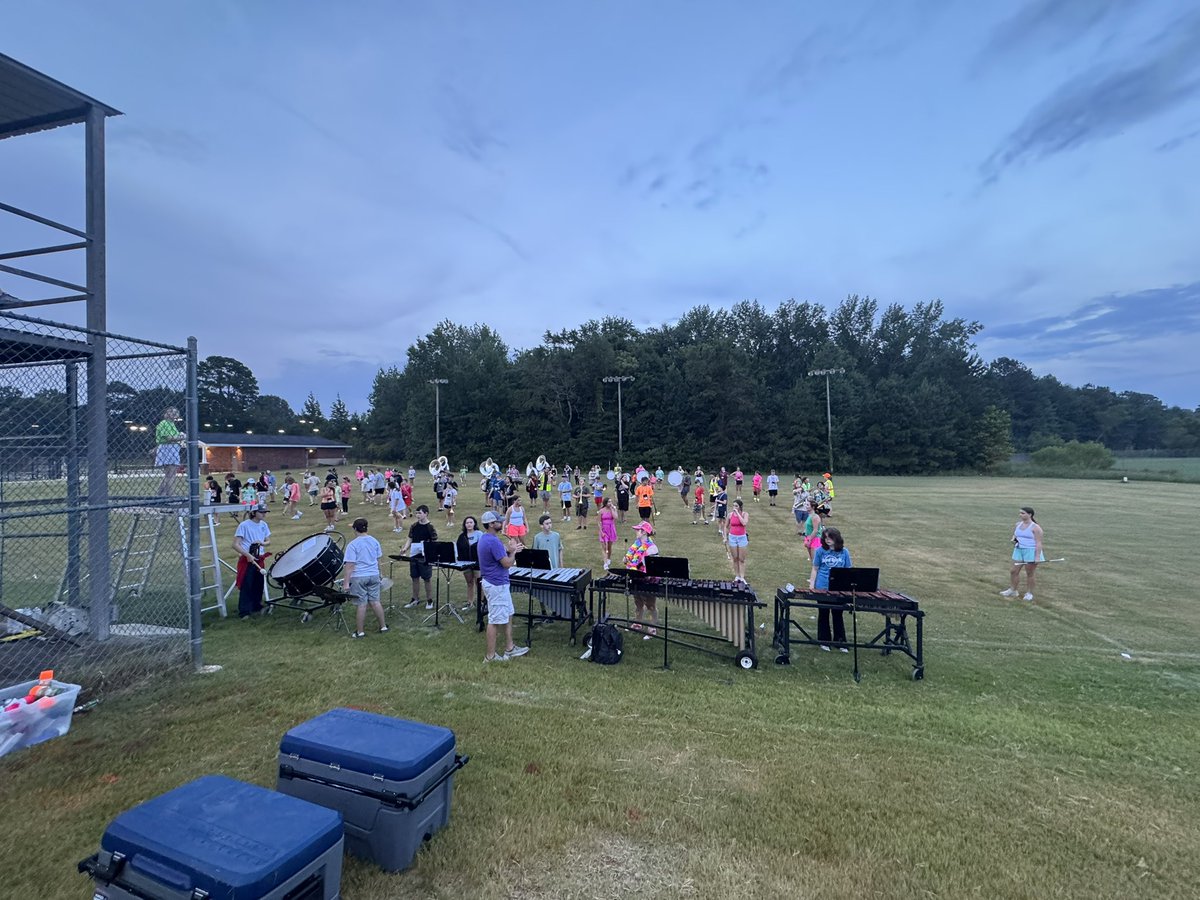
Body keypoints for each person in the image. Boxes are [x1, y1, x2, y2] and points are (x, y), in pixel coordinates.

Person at [477, 510, 530, 662]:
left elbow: (496, 554)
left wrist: (509, 549)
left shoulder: (485, 538)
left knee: (508, 614)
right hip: (496, 585)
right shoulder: (493, 541)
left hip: (497, 583)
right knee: (494, 621)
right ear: (491, 524)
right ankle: (490, 656)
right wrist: (513, 553)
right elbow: (506, 563)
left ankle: (510, 648)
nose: (502, 523)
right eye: (499, 521)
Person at [341, 517, 387, 639]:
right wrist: (380, 574)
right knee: (375, 602)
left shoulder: (353, 545)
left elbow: (350, 565)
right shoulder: (374, 541)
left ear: (355, 529)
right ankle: (383, 627)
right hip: (374, 575)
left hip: (359, 577)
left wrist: (346, 583)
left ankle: (360, 632)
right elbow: (378, 560)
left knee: (361, 604)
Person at [809, 526, 851, 652]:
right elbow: (815, 568)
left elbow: (848, 570)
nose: (827, 540)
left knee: (838, 614)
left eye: (830, 538)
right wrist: (812, 585)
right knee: (823, 613)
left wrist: (848, 587)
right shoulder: (820, 551)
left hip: (838, 588)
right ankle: (824, 641)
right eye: (825, 538)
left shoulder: (844, 552)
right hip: (822, 586)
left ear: (836, 538)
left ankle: (840, 642)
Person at [233, 504, 270, 619]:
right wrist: (247, 555)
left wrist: (262, 543)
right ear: (254, 513)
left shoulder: (264, 525)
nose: (264, 514)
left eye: (265, 512)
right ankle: (244, 611)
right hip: (247, 559)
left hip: (260, 558)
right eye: (261, 512)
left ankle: (256, 606)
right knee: (247, 585)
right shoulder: (244, 525)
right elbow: (235, 544)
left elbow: (268, 541)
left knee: (259, 584)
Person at [623, 520, 659, 639]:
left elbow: (653, 568)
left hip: (648, 581)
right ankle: (638, 623)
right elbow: (632, 560)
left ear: (644, 532)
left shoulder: (652, 548)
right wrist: (626, 559)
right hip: (636, 578)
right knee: (638, 602)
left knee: (650, 605)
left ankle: (652, 629)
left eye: (637, 530)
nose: (636, 531)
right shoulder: (636, 544)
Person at [1001, 506, 1045, 602]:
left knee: (1030, 573)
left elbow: (1038, 543)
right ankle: (1013, 590)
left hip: (1030, 551)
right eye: (1020, 513)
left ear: (1030, 515)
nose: (1020, 515)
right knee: (1013, 571)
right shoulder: (1018, 524)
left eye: (1023, 513)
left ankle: (1029, 593)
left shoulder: (1036, 528)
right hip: (1019, 550)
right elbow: (1015, 535)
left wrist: (1037, 556)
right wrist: (1013, 540)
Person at [400, 505, 438, 610]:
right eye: (416, 513)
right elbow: (410, 539)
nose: (417, 515)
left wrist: (427, 548)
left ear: (426, 514)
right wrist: (405, 548)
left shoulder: (430, 527)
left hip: (425, 557)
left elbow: (434, 541)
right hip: (414, 555)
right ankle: (415, 599)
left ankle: (429, 600)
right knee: (414, 577)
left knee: (426, 578)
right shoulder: (414, 526)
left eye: (420, 513)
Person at [154, 407, 186, 496]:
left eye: (176, 412)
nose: (175, 414)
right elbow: (168, 438)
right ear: (167, 413)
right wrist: (182, 437)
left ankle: (161, 495)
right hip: (168, 448)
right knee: (171, 474)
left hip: (171, 449)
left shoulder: (171, 424)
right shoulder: (164, 423)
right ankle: (170, 495)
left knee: (169, 474)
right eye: (172, 412)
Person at [456, 516, 482, 610]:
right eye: (467, 523)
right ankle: (470, 602)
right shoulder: (462, 536)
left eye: (471, 522)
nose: (469, 524)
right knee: (469, 582)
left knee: (479, 583)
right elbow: (458, 549)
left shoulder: (479, 534)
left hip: (477, 562)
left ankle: (482, 602)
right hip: (466, 562)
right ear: (465, 525)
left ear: (474, 523)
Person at [728, 499, 749, 583]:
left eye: (736, 506)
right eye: (733, 506)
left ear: (740, 507)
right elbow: (726, 526)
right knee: (735, 558)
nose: (734, 507)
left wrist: (737, 514)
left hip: (742, 538)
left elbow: (744, 523)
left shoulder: (745, 514)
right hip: (732, 537)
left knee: (741, 559)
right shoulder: (730, 515)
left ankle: (742, 577)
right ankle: (737, 576)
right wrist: (725, 536)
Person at [597, 497, 618, 569]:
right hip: (604, 529)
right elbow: (599, 522)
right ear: (605, 503)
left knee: (609, 546)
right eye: (609, 502)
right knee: (604, 546)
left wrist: (612, 509)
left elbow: (615, 517)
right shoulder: (601, 511)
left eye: (611, 502)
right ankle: (605, 563)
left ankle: (608, 558)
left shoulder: (613, 509)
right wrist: (601, 531)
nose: (610, 503)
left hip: (611, 529)